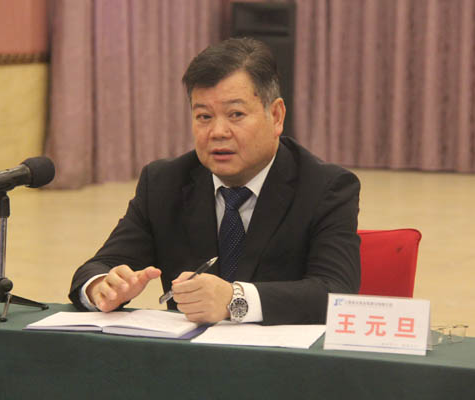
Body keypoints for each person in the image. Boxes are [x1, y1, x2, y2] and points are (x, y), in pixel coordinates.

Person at [69, 37, 361, 325]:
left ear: (276, 116)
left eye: (236, 114)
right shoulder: (164, 183)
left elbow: (336, 291)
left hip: (279, 353)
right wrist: (102, 287)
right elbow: (97, 268)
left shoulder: (326, 187)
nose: (218, 132)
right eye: (204, 117)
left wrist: (235, 299)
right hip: (189, 353)